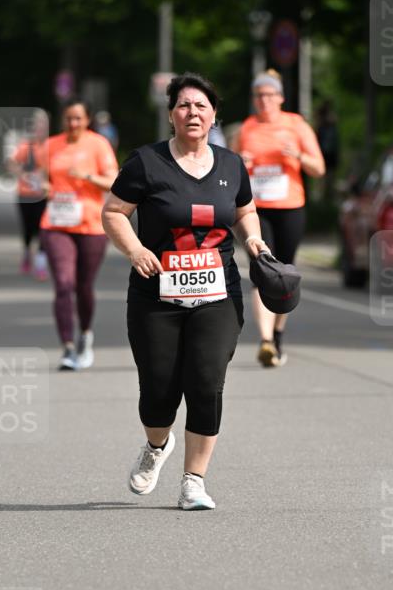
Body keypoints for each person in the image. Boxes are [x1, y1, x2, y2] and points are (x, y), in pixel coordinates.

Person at [102, 72, 268, 510]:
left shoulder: (231, 165)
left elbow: (245, 210)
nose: (192, 112)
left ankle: (194, 481)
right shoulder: (146, 163)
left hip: (218, 293)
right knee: (158, 392)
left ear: (214, 116)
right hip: (155, 295)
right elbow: (114, 212)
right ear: (171, 114)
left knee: (207, 382)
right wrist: (135, 249)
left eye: (200, 106)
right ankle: (157, 445)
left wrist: (253, 239)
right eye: (183, 105)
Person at [233, 69, 325, 368]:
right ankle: (265, 341)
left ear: (280, 97)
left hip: (290, 207)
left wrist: (297, 156)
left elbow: (318, 168)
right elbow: (228, 169)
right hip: (255, 210)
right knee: (262, 270)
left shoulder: (296, 125)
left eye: (270, 95)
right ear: (254, 99)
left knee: (285, 275)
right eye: (259, 95)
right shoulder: (247, 127)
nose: (265, 100)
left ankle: (277, 334)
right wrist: (240, 162)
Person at [40, 100, 119, 370]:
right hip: (56, 224)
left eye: (78, 118)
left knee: (84, 286)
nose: (73, 123)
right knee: (64, 283)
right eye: (68, 118)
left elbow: (114, 182)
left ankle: (85, 333)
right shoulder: (51, 145)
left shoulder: (98, 144)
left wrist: (87, 177)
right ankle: (67, 347)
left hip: (90, 225)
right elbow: (39, 177)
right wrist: (42, 185)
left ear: (87, 120)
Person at [9, 109, 50, 280]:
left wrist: (46, 177)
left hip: (45, 194)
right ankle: (27, 252)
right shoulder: (26, 146)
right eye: (37, 126)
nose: (39, 129)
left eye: (43, 126)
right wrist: (23, 175)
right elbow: (12, 163)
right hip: (25, 194)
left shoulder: (52, 145)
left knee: (43, 228)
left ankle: (40, 264)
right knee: (28, 229)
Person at [315, 100, 340, 204]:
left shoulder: (322, 126)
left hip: (325, 154)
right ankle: (326, 198)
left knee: (325, 178)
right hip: (328, 154)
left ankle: (325, 198)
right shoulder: (329, 125)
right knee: (328, 177)